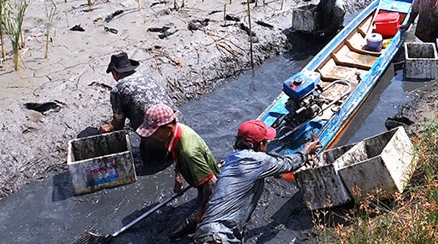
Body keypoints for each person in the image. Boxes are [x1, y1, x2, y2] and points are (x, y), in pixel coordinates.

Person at [193, 120, 321, 244]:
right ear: (259, 145)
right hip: (221, 236)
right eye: (265, 142)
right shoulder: (259, 160)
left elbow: (257, 172)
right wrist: (306, 150)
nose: (267, 145)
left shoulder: (233, 158)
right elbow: (288, 163)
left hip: (205, 231)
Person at [137, 104, 220, 239]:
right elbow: (178, 155)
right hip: (198, 175)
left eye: (155, 132)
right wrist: (179, 176)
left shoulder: (189, 152)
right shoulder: (176, 131)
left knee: (176, 233)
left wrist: (202, 210)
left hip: (210, 188)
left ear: (168, 128)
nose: (152, 136)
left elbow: (211, 184)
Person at [99, 51, 179, 163]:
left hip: (158, 133)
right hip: (178, 125)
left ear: (115, 73)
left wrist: (109, 127)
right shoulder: (145, 77)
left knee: (149, 161)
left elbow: (118, 124)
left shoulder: (118, 90)